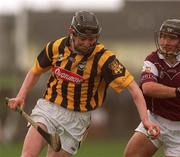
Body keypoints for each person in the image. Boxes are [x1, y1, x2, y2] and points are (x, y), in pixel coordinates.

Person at [7, 11, 159, 157]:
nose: (87, 43)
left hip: (77, 120)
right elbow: (35, 71)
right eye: (82, 38)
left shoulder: (104, 59)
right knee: (28, 155)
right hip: (49, 108)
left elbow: (134, 89)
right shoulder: (56, 47)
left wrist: (145, 121)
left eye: (91, 39)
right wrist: (21, 96)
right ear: (72, 33)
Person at [124, 19, 180, 157]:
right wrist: (177, 91)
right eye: (162, 36)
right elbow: (148, 88)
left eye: (171, 38)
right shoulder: (153, 59)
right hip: (156, 119)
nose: (165, 42)